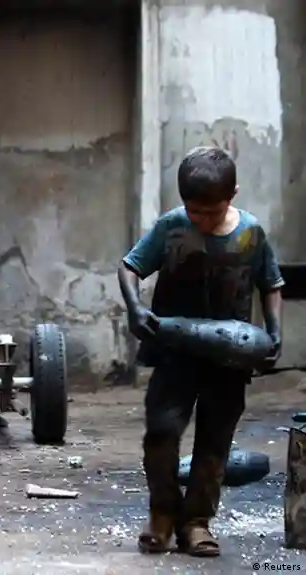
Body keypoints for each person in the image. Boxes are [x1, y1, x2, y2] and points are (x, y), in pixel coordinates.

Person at [118, 146, 284, 557]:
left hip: (227, 361)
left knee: (214, 443)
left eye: (212, 212)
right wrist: (135, 308)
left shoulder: (251, 233)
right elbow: (129, 266)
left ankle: (196, 522)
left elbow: (271, 284)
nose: (203, 220)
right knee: (161, 433)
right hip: (174, 355)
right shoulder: (171, 226)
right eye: (195, 212)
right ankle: (162, 514)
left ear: (233, 195)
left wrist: (274, 330)